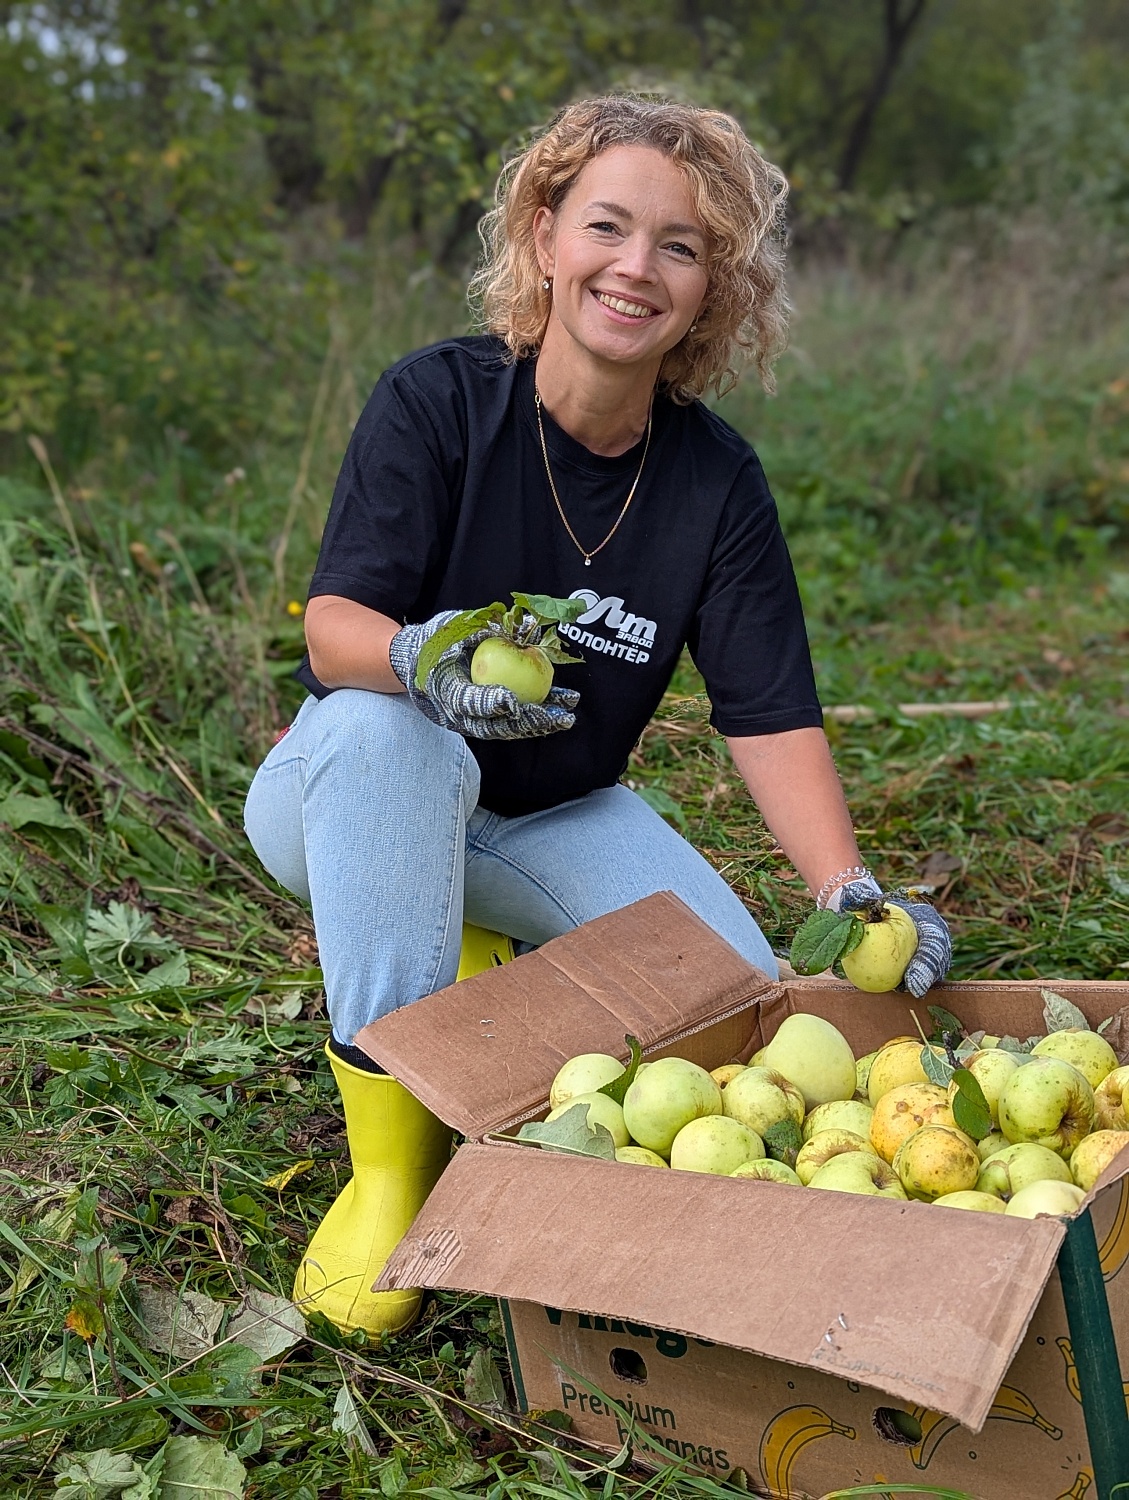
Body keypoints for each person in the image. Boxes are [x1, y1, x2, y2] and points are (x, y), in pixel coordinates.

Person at [244, 95, 952, 1339]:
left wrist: (850, 893)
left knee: (733, 989)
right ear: (544, 231)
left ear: (712, 287)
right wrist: (420, 658)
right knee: (384, 732)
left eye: (679, 246)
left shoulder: (715, 479)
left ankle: (482, 966)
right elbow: (330, 627)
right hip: (344, 790)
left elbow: (769, 711)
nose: (637, 268)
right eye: (608, 227)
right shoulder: (437, 401)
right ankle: (388, 1170)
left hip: (552, 811)